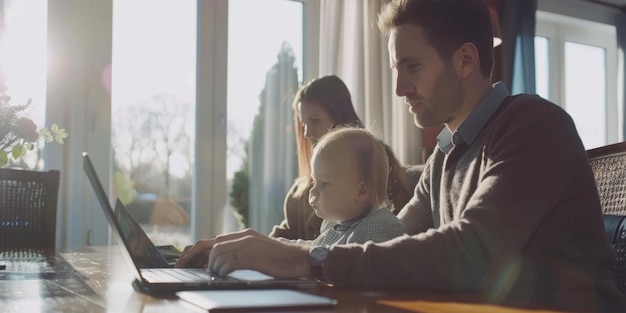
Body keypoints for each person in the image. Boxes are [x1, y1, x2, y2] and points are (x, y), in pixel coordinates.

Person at [177, 0, 626, 311]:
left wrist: (303, 260)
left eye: (412, 67)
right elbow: (384, 239)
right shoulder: (445, 156)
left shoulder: (532, 126)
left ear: (466, 60)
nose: (399, 89)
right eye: (396, 69)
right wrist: (264, 248)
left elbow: (470, 251)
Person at [268, 75, 415, 241]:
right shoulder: (301, 192)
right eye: (304, 124)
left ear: (339, 116)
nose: (307, 133)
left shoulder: (374, 165)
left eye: (315, 121)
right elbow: (288, 233)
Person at [280, 126, 405, 247]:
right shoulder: (336, 222)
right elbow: (314, 248)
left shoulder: (379, 229)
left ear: (361, 191)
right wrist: (279, 245)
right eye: (314, 182)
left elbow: (332, 259)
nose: (312, 191)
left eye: (324, 183)